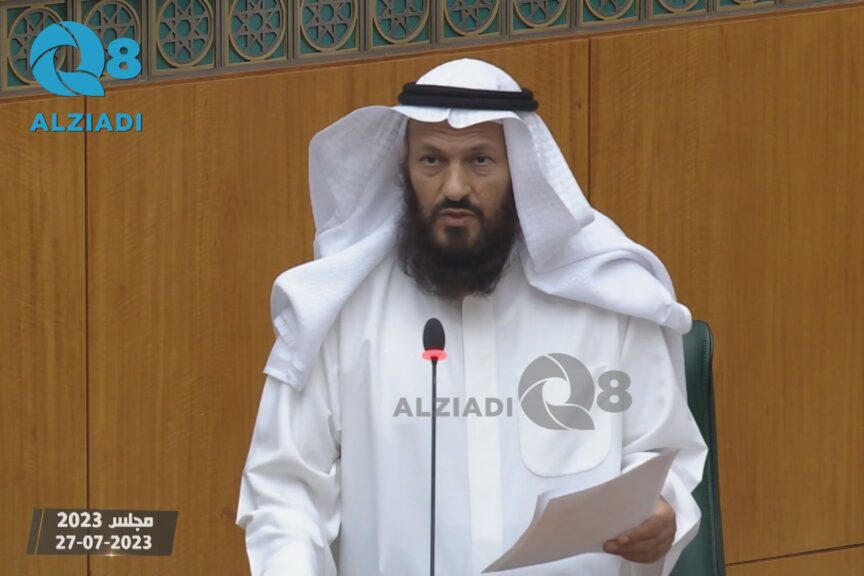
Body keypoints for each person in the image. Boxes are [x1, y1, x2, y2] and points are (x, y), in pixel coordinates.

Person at [236, 58, 707, 576]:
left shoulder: (605, 302)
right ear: (405, 170)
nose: (455, 187)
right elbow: (285, 493)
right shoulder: (342, 314)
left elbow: (659, 457)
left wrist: (663, 515)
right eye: (432, 161)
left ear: (519, 171)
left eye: (480, 161)